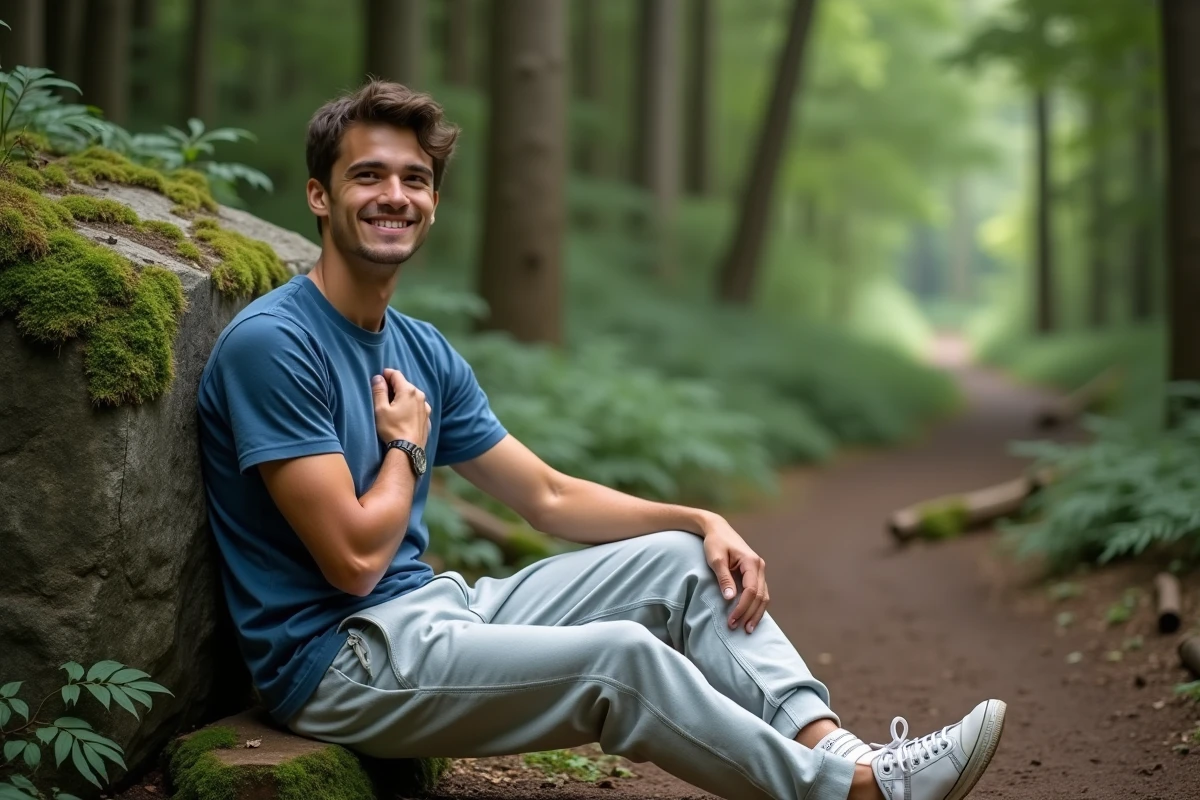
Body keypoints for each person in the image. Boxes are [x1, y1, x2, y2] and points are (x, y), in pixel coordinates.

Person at [196, 80, 1006, 800]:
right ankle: (853, 793)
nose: (394, 196)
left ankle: (841, 750)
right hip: (338, 664)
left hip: (434, 613)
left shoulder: (421, 347)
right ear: (318, 195)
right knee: (618, 656)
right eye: (367, 175)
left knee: (688, 566)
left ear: (435, 202)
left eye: (415, 178)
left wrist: (697, 520)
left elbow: (547, 496)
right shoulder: (276, 344)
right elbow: (352, 560)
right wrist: (408, 450)